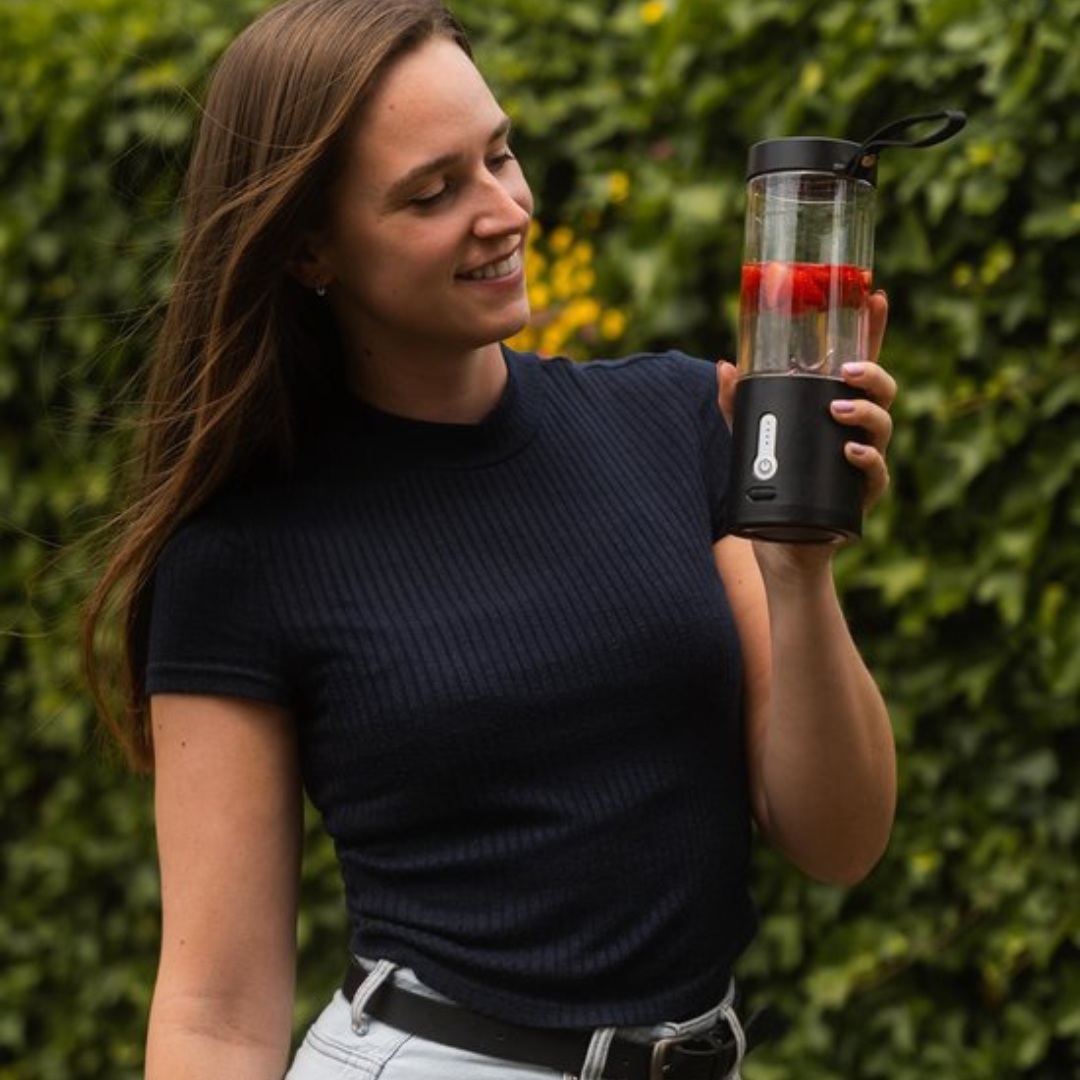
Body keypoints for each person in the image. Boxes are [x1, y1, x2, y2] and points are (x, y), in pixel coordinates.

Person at [81, 0, 898, 1077]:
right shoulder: (246, 553)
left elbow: (839, 840)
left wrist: (797, 574)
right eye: (433, 192)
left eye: (500, 154)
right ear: (311, 247)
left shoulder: (674, 422)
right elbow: (215, 1011)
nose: (506, 208)